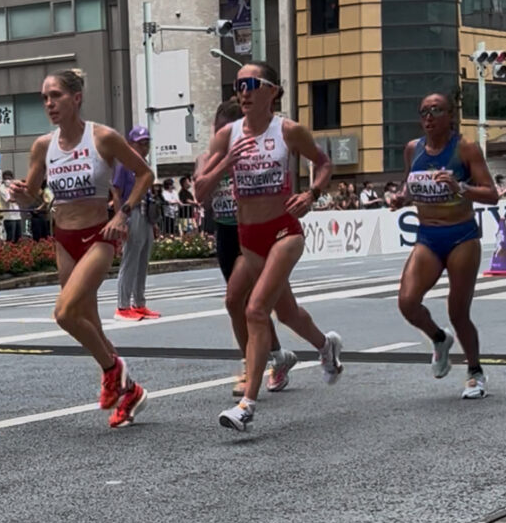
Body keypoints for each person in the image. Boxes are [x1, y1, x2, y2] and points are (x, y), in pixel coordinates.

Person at [193, 62, 343, 434]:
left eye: (251, 84)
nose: (243, 91)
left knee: (256, 311)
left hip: (284, 232)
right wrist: (225, 163)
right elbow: (199, 191)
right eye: (238, 85)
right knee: (287, 312)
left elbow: (323, 163)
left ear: (272, 91)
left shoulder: (287, 130)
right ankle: (326, 346)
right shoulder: (227, 135)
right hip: (249, 237)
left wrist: (311, 193)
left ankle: (247, 404)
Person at [10, 68, 153, 428]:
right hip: (65, 239)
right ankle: (130, 390)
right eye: (44, 97)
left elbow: (145, 174)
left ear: (76, 98)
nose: (48, 104)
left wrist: (123, 213)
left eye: (55, 95)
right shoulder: (43, 146)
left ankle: (111, 368)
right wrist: (20, 194)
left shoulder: (102, 138)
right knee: (89, 323)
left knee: (64, 314)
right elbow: (35, 196)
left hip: (99, 236)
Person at [390, 92, 497, 398]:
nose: (429, 117)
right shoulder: (413, 149)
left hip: (461, 235)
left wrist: (460, 187)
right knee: (407, 302)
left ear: (450, 115)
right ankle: (439, 338)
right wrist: (401, 198)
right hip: (427, 235)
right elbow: (410, 184)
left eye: (436, 110)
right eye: (424, 111)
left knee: (458, 312)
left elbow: (491, 194)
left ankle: (475, 372)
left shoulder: (465, 148)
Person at [194, 98, 297, 398]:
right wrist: (222, 164)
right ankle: (279, 356)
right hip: (226, 234)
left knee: (235, 300)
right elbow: (201, 193)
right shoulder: (207, 158)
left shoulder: (257, 153)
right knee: (253, 307)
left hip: (252, 234)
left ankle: (248, 366)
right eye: (220, 132)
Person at [113, 125, 161, 321]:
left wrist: (154, 222)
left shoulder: (144, 164)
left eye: (146, 143)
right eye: (141, 143)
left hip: (146, 213)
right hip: (130, 212)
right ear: (130, 144)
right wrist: (120, 219)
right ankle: (122, 306)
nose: (145, 147)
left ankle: (139, 303)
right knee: (130, 259)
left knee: (143, 261)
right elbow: (116, 192)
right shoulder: (124, 165)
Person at [0, 170, 22, 242]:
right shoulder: (2, 188)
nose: (7, 180)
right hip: (8, 217)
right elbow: (10, 199)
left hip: (17, 216)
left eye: (9, 178)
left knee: (19, 238)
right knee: (10, 239)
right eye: (6, 178)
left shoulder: (14, 186)